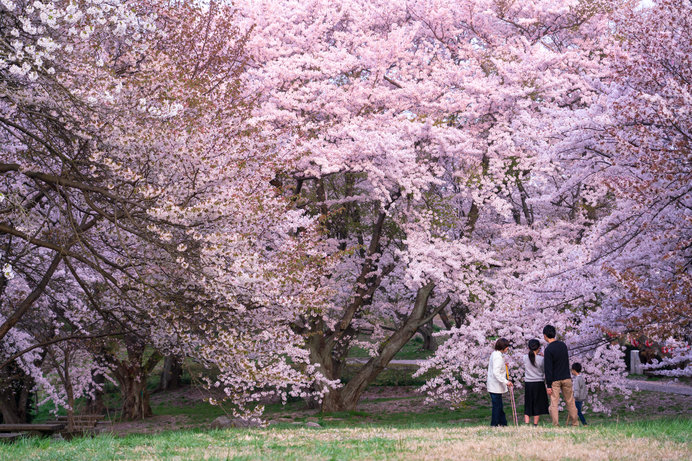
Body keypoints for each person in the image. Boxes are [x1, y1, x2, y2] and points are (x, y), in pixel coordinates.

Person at [543, 324, 579, 426]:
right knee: (570, 401)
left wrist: (548, 385)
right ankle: (575, 423)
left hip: (555, 380)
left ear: (545, 335)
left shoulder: (548, 349)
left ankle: (556, 424)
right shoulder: (563, 345)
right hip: (566, 377)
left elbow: (548, 369)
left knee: (554, 403)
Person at [487, 337, 513, 427]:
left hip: (494, 385)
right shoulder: (498, 357)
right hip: (495, 385)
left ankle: (503, 423)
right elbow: (496, 373)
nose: (508, 348)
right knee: (497, 407)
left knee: (499, 406)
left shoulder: (496, 354)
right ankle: (494, 424)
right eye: (507, 347)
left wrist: (503, 364)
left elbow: (497, 367)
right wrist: (506, 382)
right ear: (503, 347)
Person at [523, 339, 549, 426]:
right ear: (538, 348)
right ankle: (535, 424)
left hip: (528, 383)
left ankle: (526, 423)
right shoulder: (541, 359)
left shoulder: (524, 358)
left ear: (528, 348)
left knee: (528, 403)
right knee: (537, 403)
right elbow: (544, 370)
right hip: (538, 382)